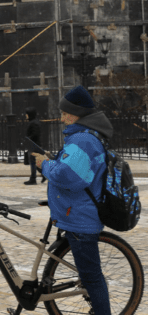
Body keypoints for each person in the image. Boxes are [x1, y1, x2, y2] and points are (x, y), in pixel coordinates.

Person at [34, 85, 113, 315]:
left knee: (92, 278)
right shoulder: (84, 137)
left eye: (65, 113)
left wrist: (44, 164)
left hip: (80, 218)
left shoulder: (83, 140)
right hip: (77, 214)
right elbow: (74, 169)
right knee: (89, 275)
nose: (62, 118)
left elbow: (68, 176)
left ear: (77, 113)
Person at [23, 107, 46, 185]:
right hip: (33, 145)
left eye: (27, 114)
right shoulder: (33, 122)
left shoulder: (34, 123)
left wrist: (28, 139)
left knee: (33, 162)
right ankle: (43, 175)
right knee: (34, 162)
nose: (25, 115)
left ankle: (33, 179)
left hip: (34, 146)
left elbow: (35, 134)